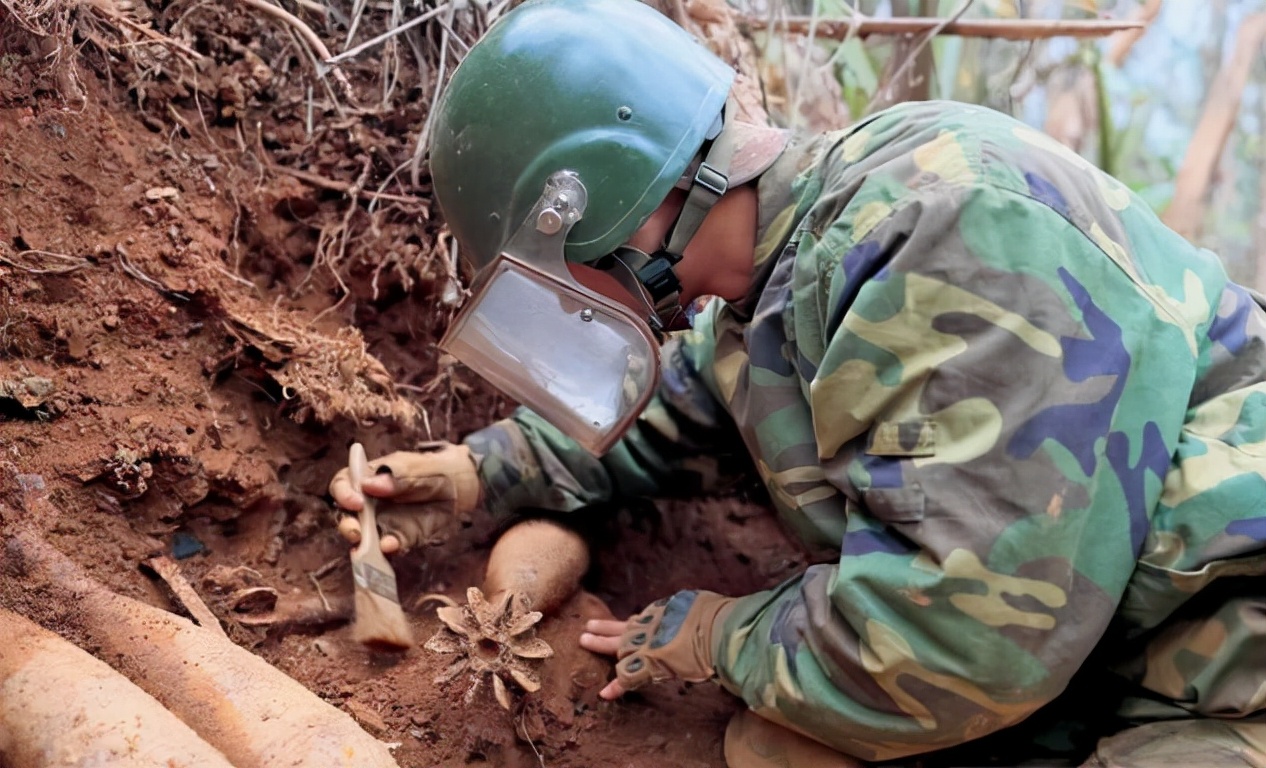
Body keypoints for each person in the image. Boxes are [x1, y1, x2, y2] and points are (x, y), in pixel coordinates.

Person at [328, 0, 1266, 764]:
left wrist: (717, 637)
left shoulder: (943, 230)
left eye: (552, 277)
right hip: (1107, 652)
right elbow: (663, 413)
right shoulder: (775, 286)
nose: (568, 304)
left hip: (1230, 666)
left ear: (595, 206)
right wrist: (470, 476)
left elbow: (958, 651)